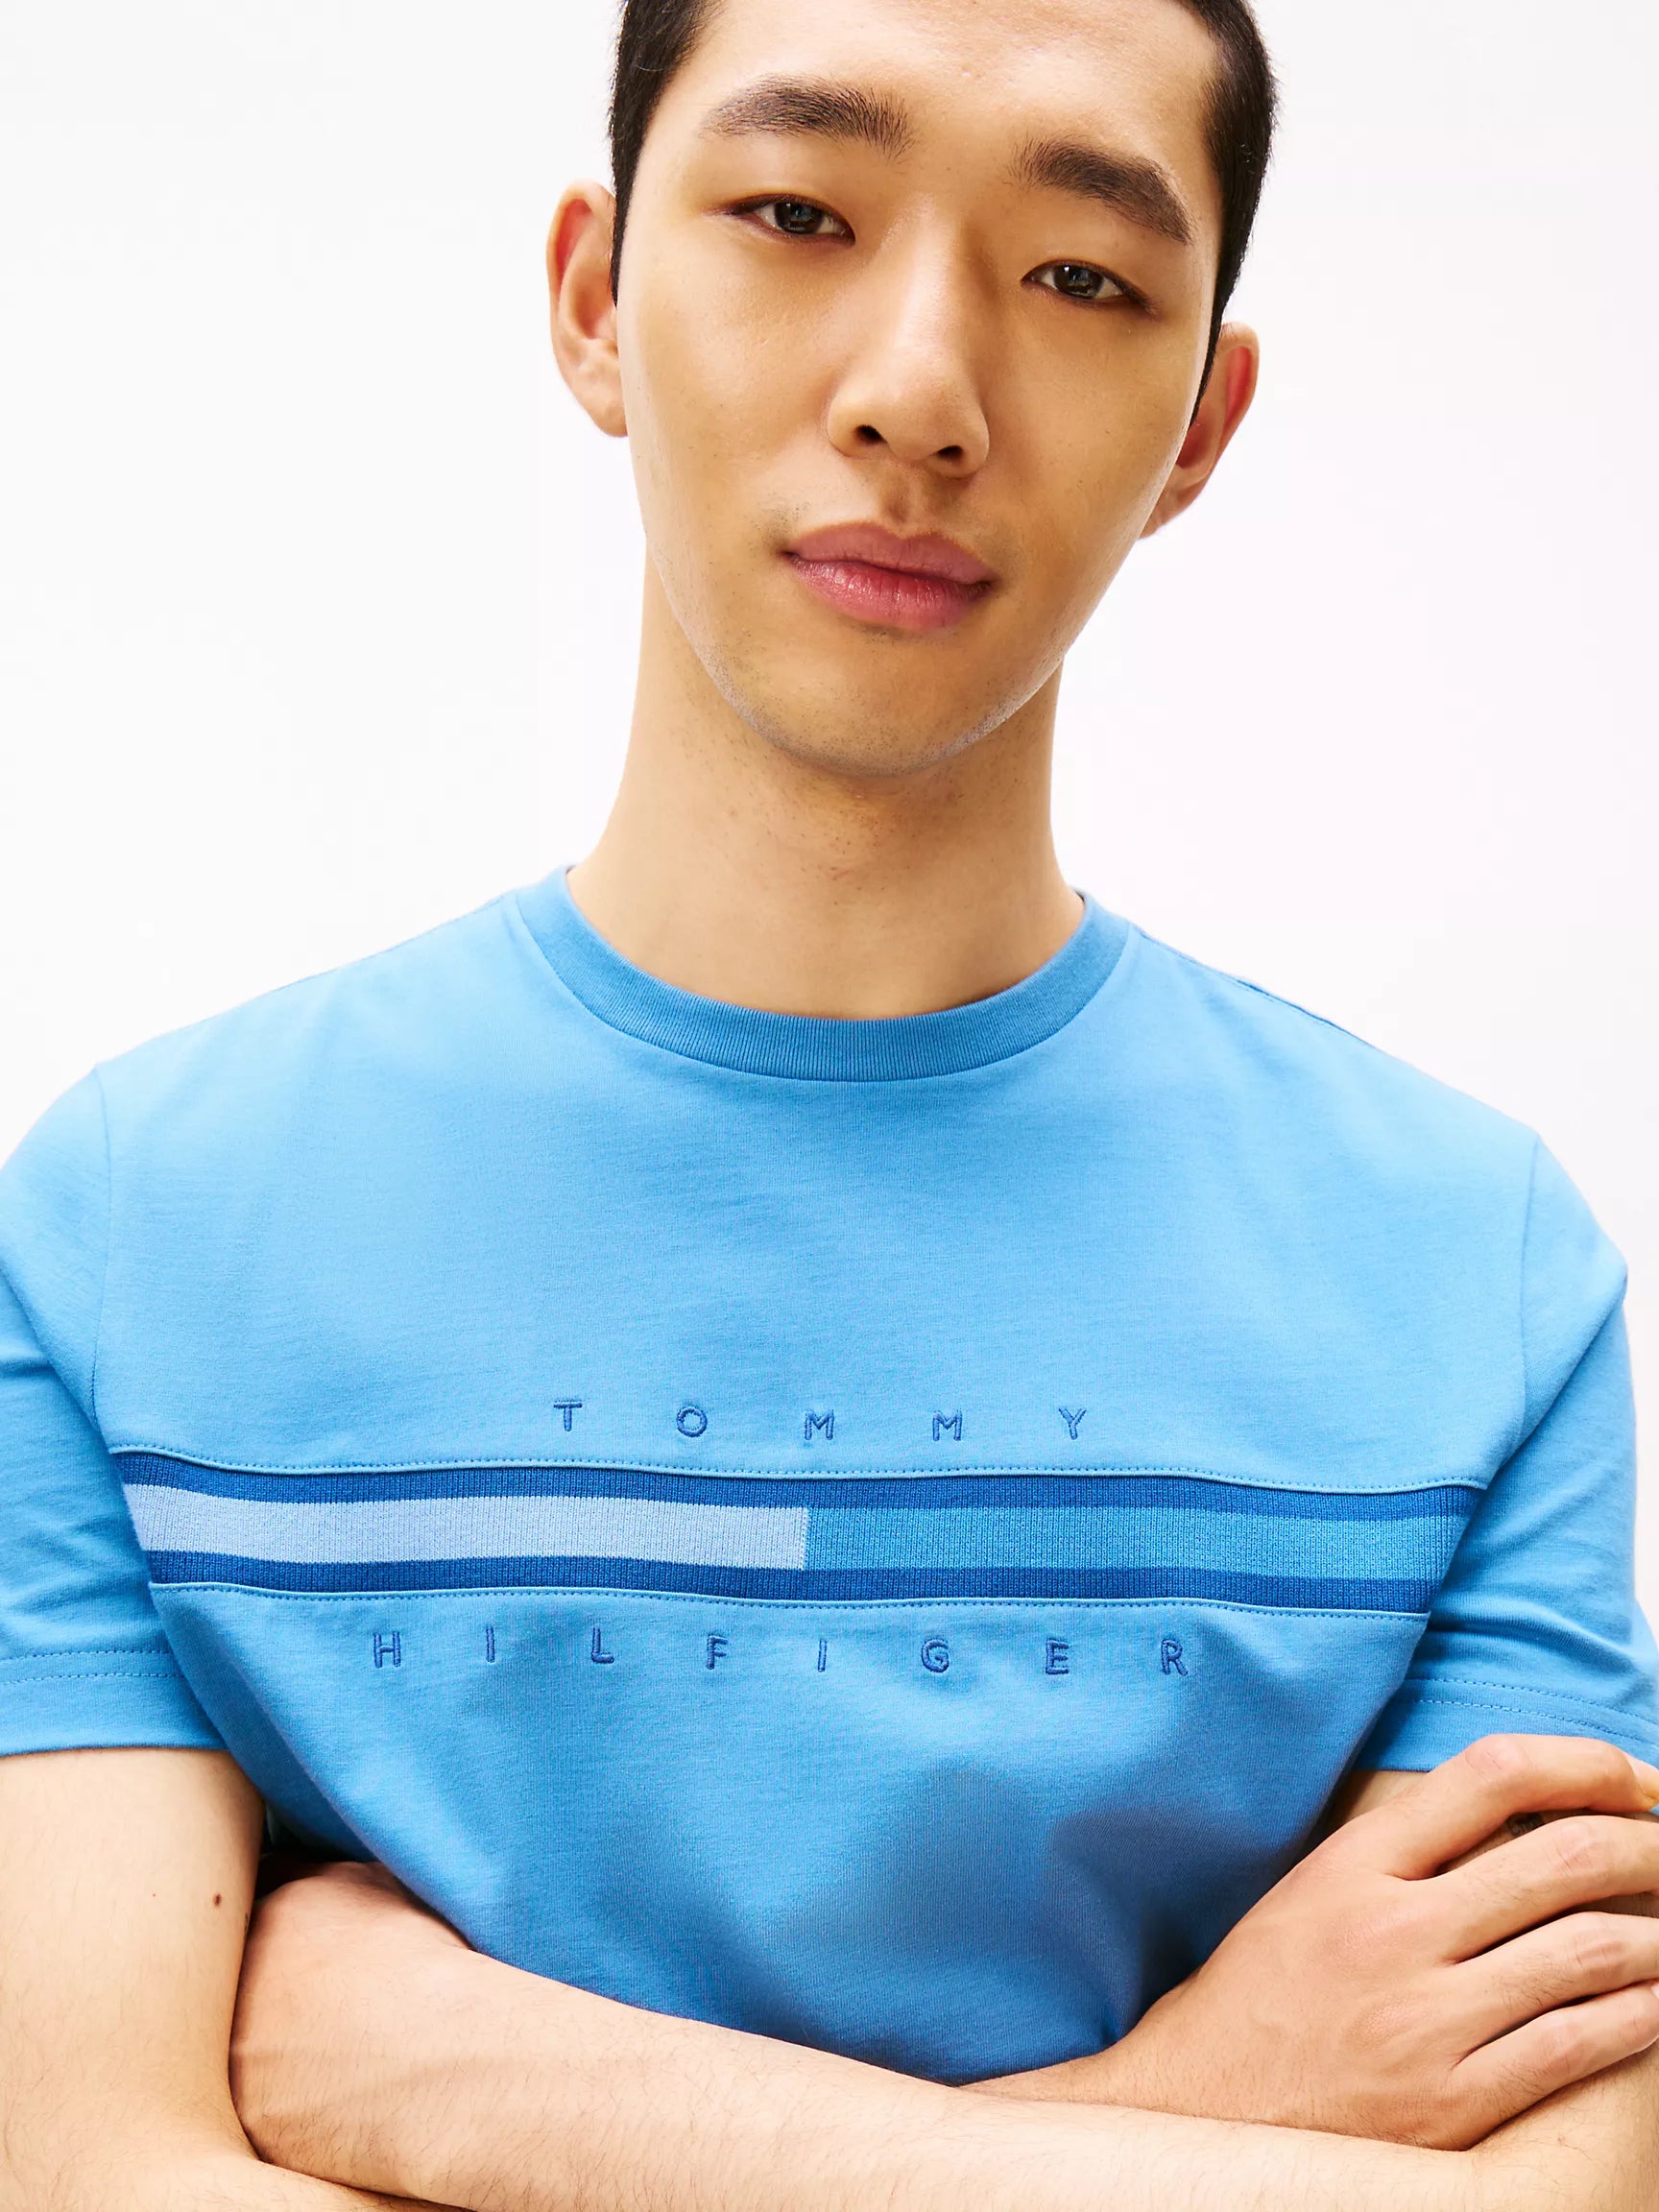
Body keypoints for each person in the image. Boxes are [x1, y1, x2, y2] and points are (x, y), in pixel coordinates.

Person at [2, 0, 1656, 2205]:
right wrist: (1211, 2096)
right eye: (797, 213)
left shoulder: (1476, 1282)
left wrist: (497, 2093)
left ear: (1201, 421)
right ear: (594, 301)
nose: (919, 390)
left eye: (1081, 274)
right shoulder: (136, 1236)